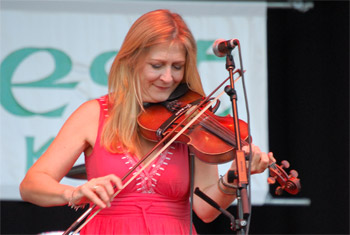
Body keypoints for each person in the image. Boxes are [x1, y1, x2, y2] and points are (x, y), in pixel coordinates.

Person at [20, 9, 271, 234]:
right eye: (157, 65)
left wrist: (231, 178)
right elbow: (31, 185)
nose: (167, 77)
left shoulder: (192, 119)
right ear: (131, 62)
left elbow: (206, 211)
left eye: (177, 66)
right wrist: (73, 193)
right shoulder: (93, 114)